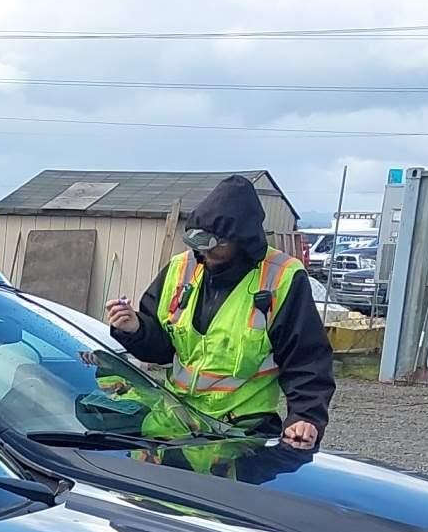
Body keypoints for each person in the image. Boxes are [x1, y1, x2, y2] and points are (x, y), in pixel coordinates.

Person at [105, 174, 333, 451]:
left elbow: (306, 357)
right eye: (198, 245)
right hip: (174, 425)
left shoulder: (282, 277)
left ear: (242, 241)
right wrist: (135, 328)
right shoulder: (181, 268)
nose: (203, 254)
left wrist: (306, 416)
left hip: (243, 434)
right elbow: (161, 351)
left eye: (215, 245)